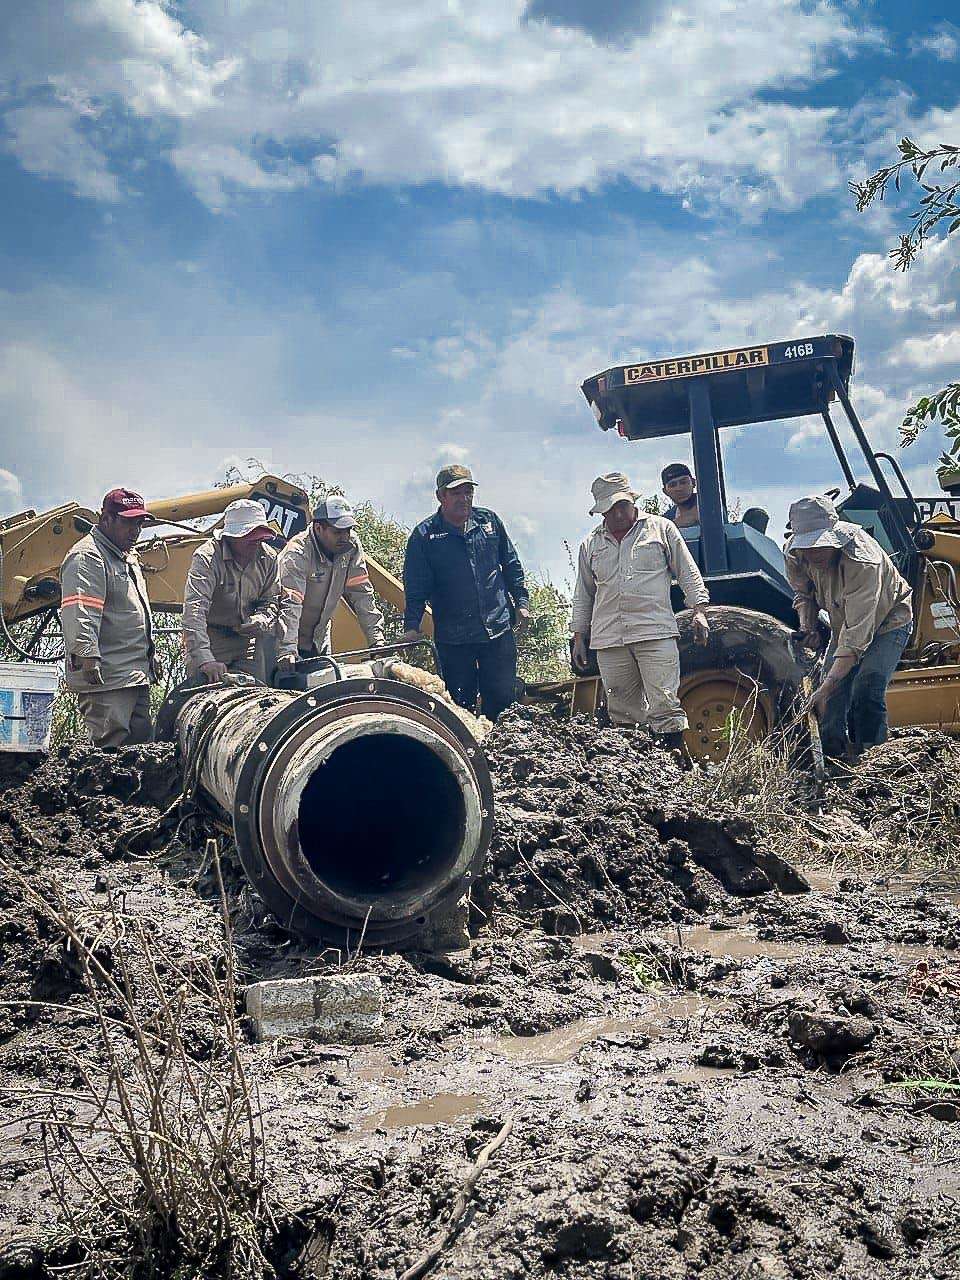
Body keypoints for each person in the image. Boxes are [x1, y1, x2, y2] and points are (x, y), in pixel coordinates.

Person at [571, 472, 710, 751]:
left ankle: (673, 765)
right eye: (610, 509)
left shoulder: (661, 529)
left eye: (621, 505)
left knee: (665, 703)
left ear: (631, 500)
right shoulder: (591, 544)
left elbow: (687, 572)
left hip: (654, 631)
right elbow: (584, 593)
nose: (618, 513)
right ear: (601, 511)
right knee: (621, 708)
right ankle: (635, 772)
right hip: (609, 638)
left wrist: (699, 610)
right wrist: (578, 636)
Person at [785, 495, 913, 761]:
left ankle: (874, 759)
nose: (813, 553)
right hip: (844, 624)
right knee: (829, 703)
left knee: (866, 687)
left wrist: (826, 686)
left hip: (888, 621)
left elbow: (856, 638)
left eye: (820, 546)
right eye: (807, 547)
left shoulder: (863, 561)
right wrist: (807, 626)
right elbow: (803, 594)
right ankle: (834, 761)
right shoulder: (795, 554)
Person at [402, 464, 530, 721]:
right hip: (454, 639)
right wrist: (412, 626)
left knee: (504, 703)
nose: (464, 498)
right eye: (456, 493)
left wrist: (522, 603)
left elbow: (512, 564)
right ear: (441, 496)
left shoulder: (489, 522)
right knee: (460, 708)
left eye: (468, 491)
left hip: (497, 631)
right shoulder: (425, 536)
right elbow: (415, 587)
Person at [60, 488, 157, 748]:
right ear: (106, 519)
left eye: (139, 523)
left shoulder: (127, 557)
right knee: (109, 754)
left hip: (134, 673)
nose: (135, 530)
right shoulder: (88, 556)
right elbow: (80, 610)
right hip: (107, 677)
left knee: (139, 752)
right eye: (128, 522)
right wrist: (87, 654)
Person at [276, 495, 384, 673]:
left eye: (348, 530)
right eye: (337, 532)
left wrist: (377, 643)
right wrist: (287, 650)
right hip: (283, 641)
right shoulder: (297, 553)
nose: (345, 537)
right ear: (319, 528)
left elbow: (362, 594)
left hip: (318, 641)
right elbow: (289, 604)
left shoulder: (351, 547)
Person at [182, 499, 281, 684]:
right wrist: (205, 659)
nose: (256, 543)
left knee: (254, 699)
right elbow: (195, 611)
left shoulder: (268, 558)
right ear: (230, 536)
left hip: (248, 644)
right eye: (249, 537)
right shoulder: (207, 557)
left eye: (259, 537)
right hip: (210, 640)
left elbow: (270, 601)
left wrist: (261, 620)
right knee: (204, 700)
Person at [661, 463, 700, 529]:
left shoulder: (710, 505)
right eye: (672, 485)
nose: (679, 488)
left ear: (693, 483)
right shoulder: (666, 518)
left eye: (683, 482)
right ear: (665, 491)